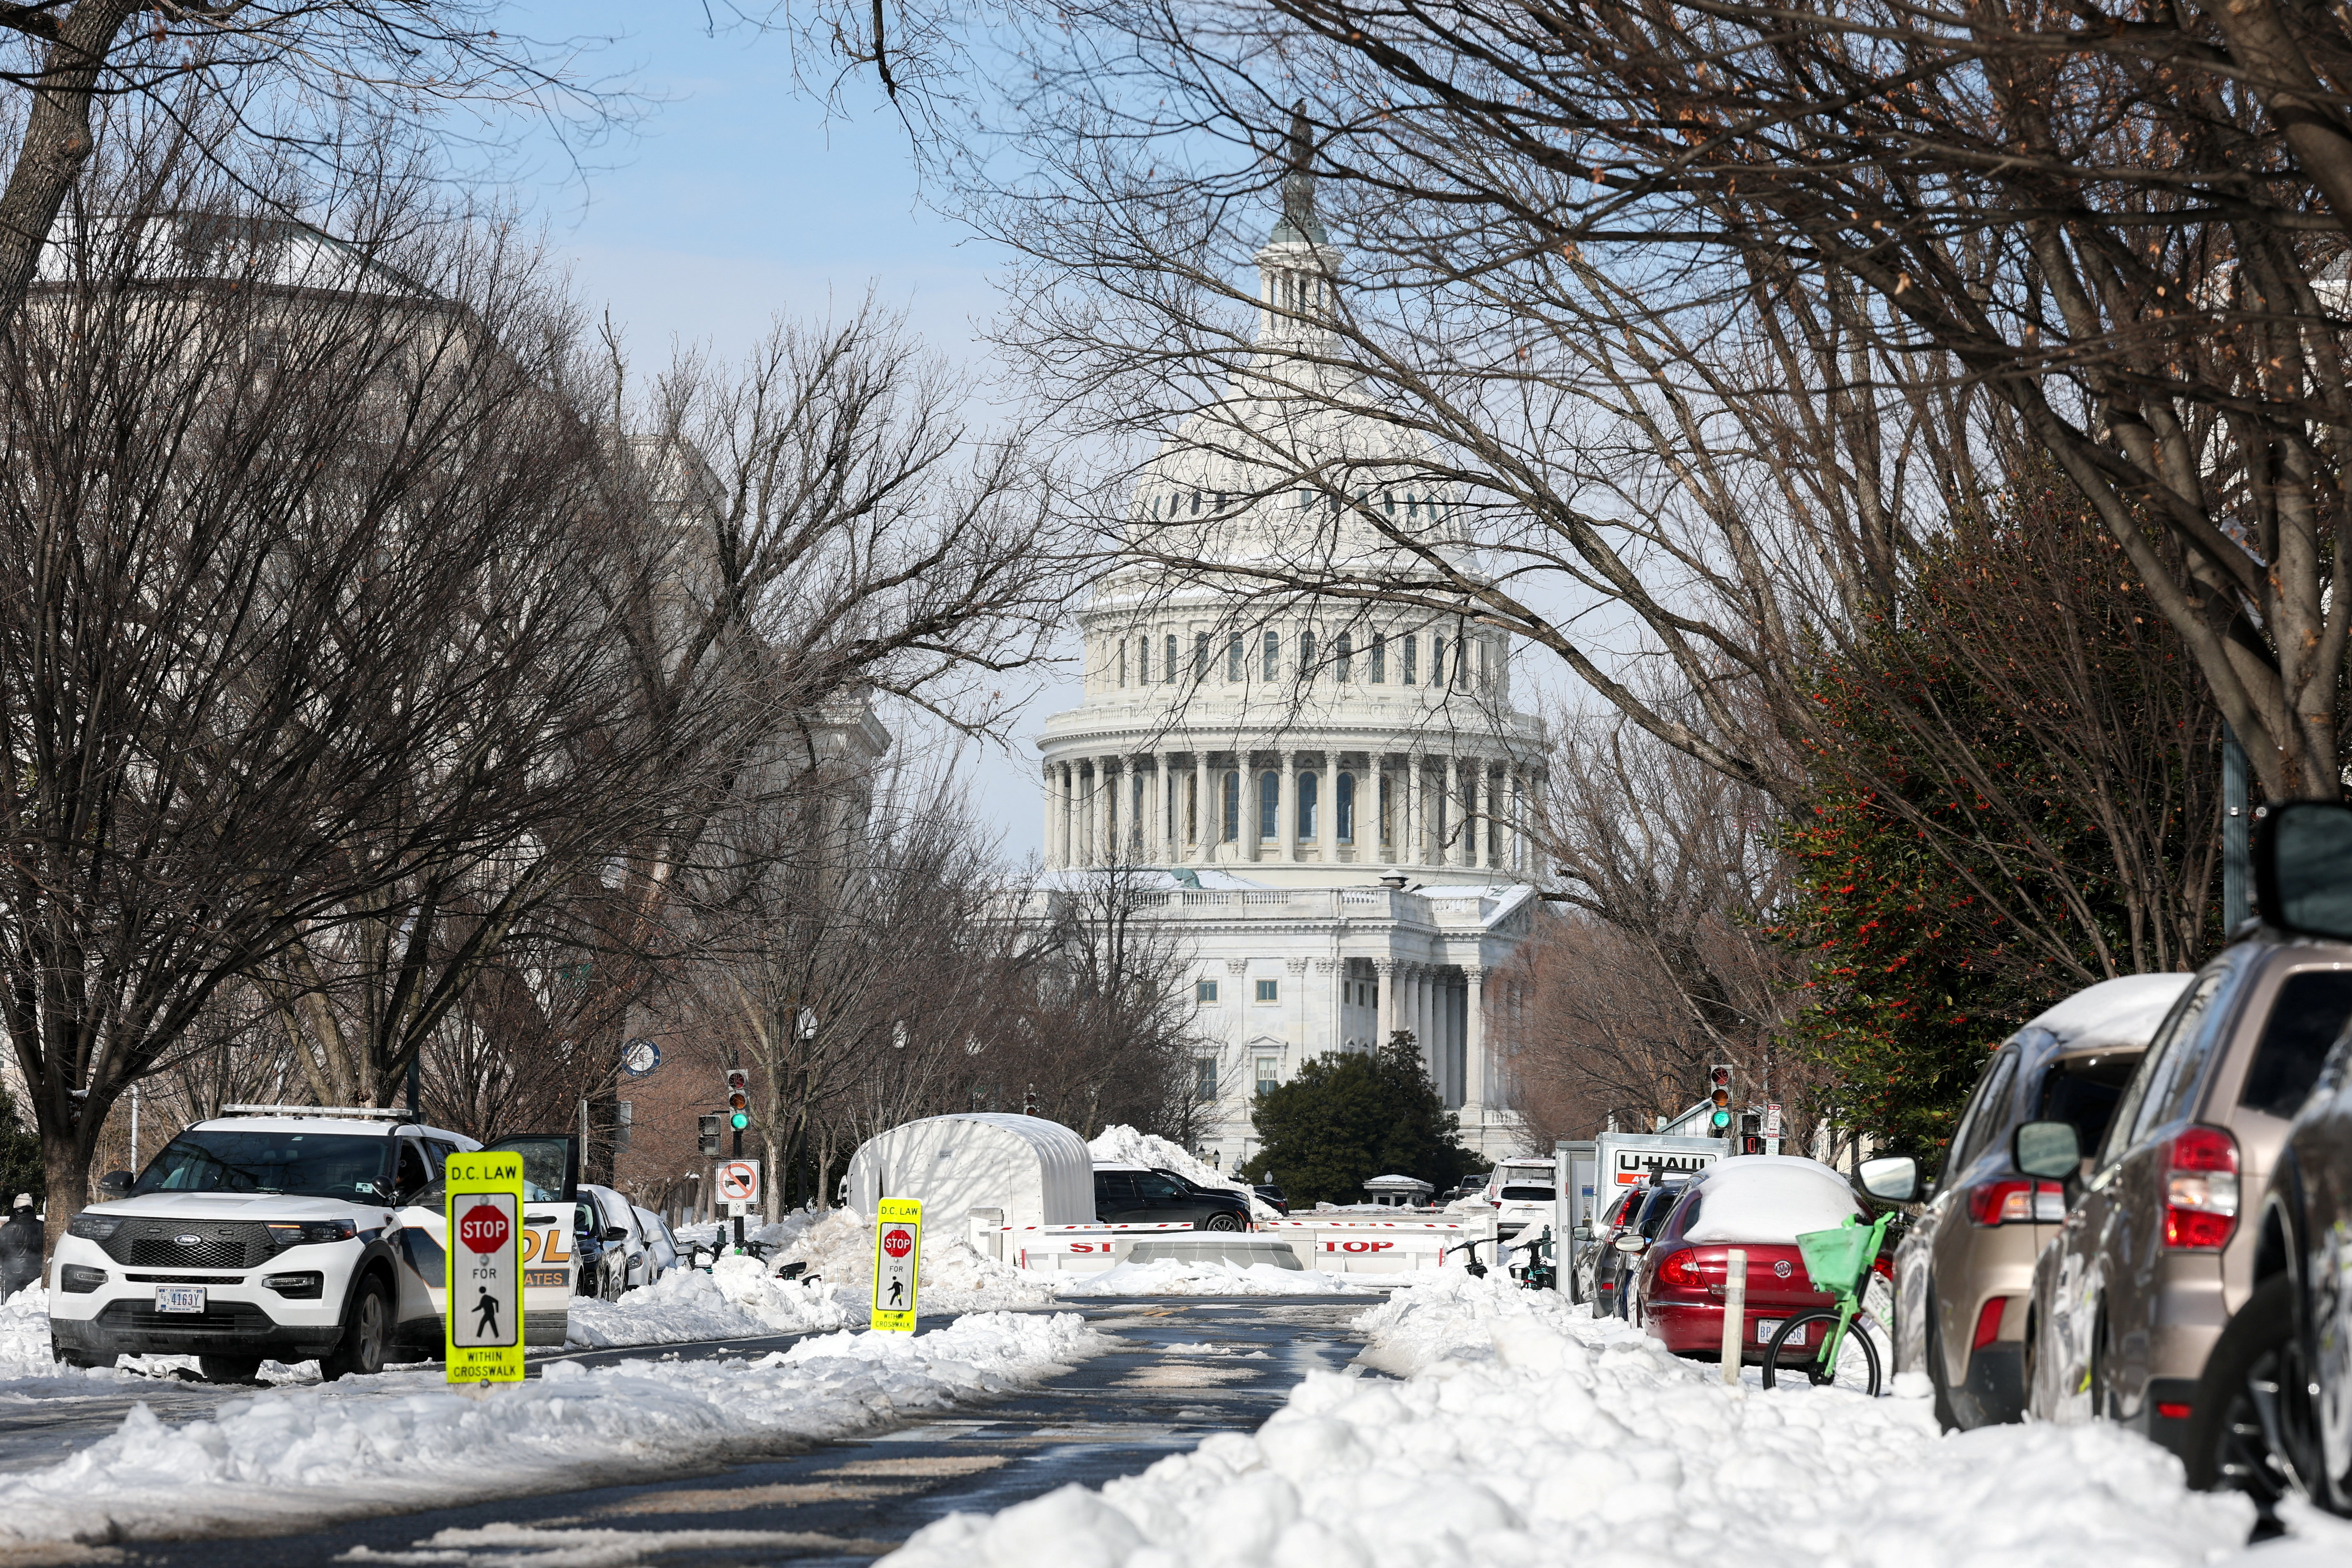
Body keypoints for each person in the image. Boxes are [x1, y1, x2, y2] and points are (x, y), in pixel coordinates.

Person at [0, 1196, 41, 1298]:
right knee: (35, 1308)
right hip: (36, 1275)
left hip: (12, 1275)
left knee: (12, 1308)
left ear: (15, 1207)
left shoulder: (6, 1229)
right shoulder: (42, 1227)